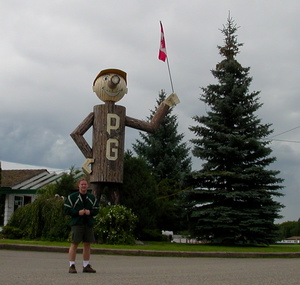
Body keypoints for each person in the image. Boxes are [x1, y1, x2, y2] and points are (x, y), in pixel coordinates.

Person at [64, 178, 100, 273]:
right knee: (74, 243)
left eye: (85, 184)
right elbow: (66, 209)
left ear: (87, 186)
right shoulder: (72, 197)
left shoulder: (91, 198)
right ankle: (72, 265)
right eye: (82, 184)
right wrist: (77, 213)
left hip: (88, 223)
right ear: (78, 186)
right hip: (77, 223)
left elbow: (96, 209)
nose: (84, 186)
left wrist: (90, 212)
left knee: (87, 244)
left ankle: (86, 265)